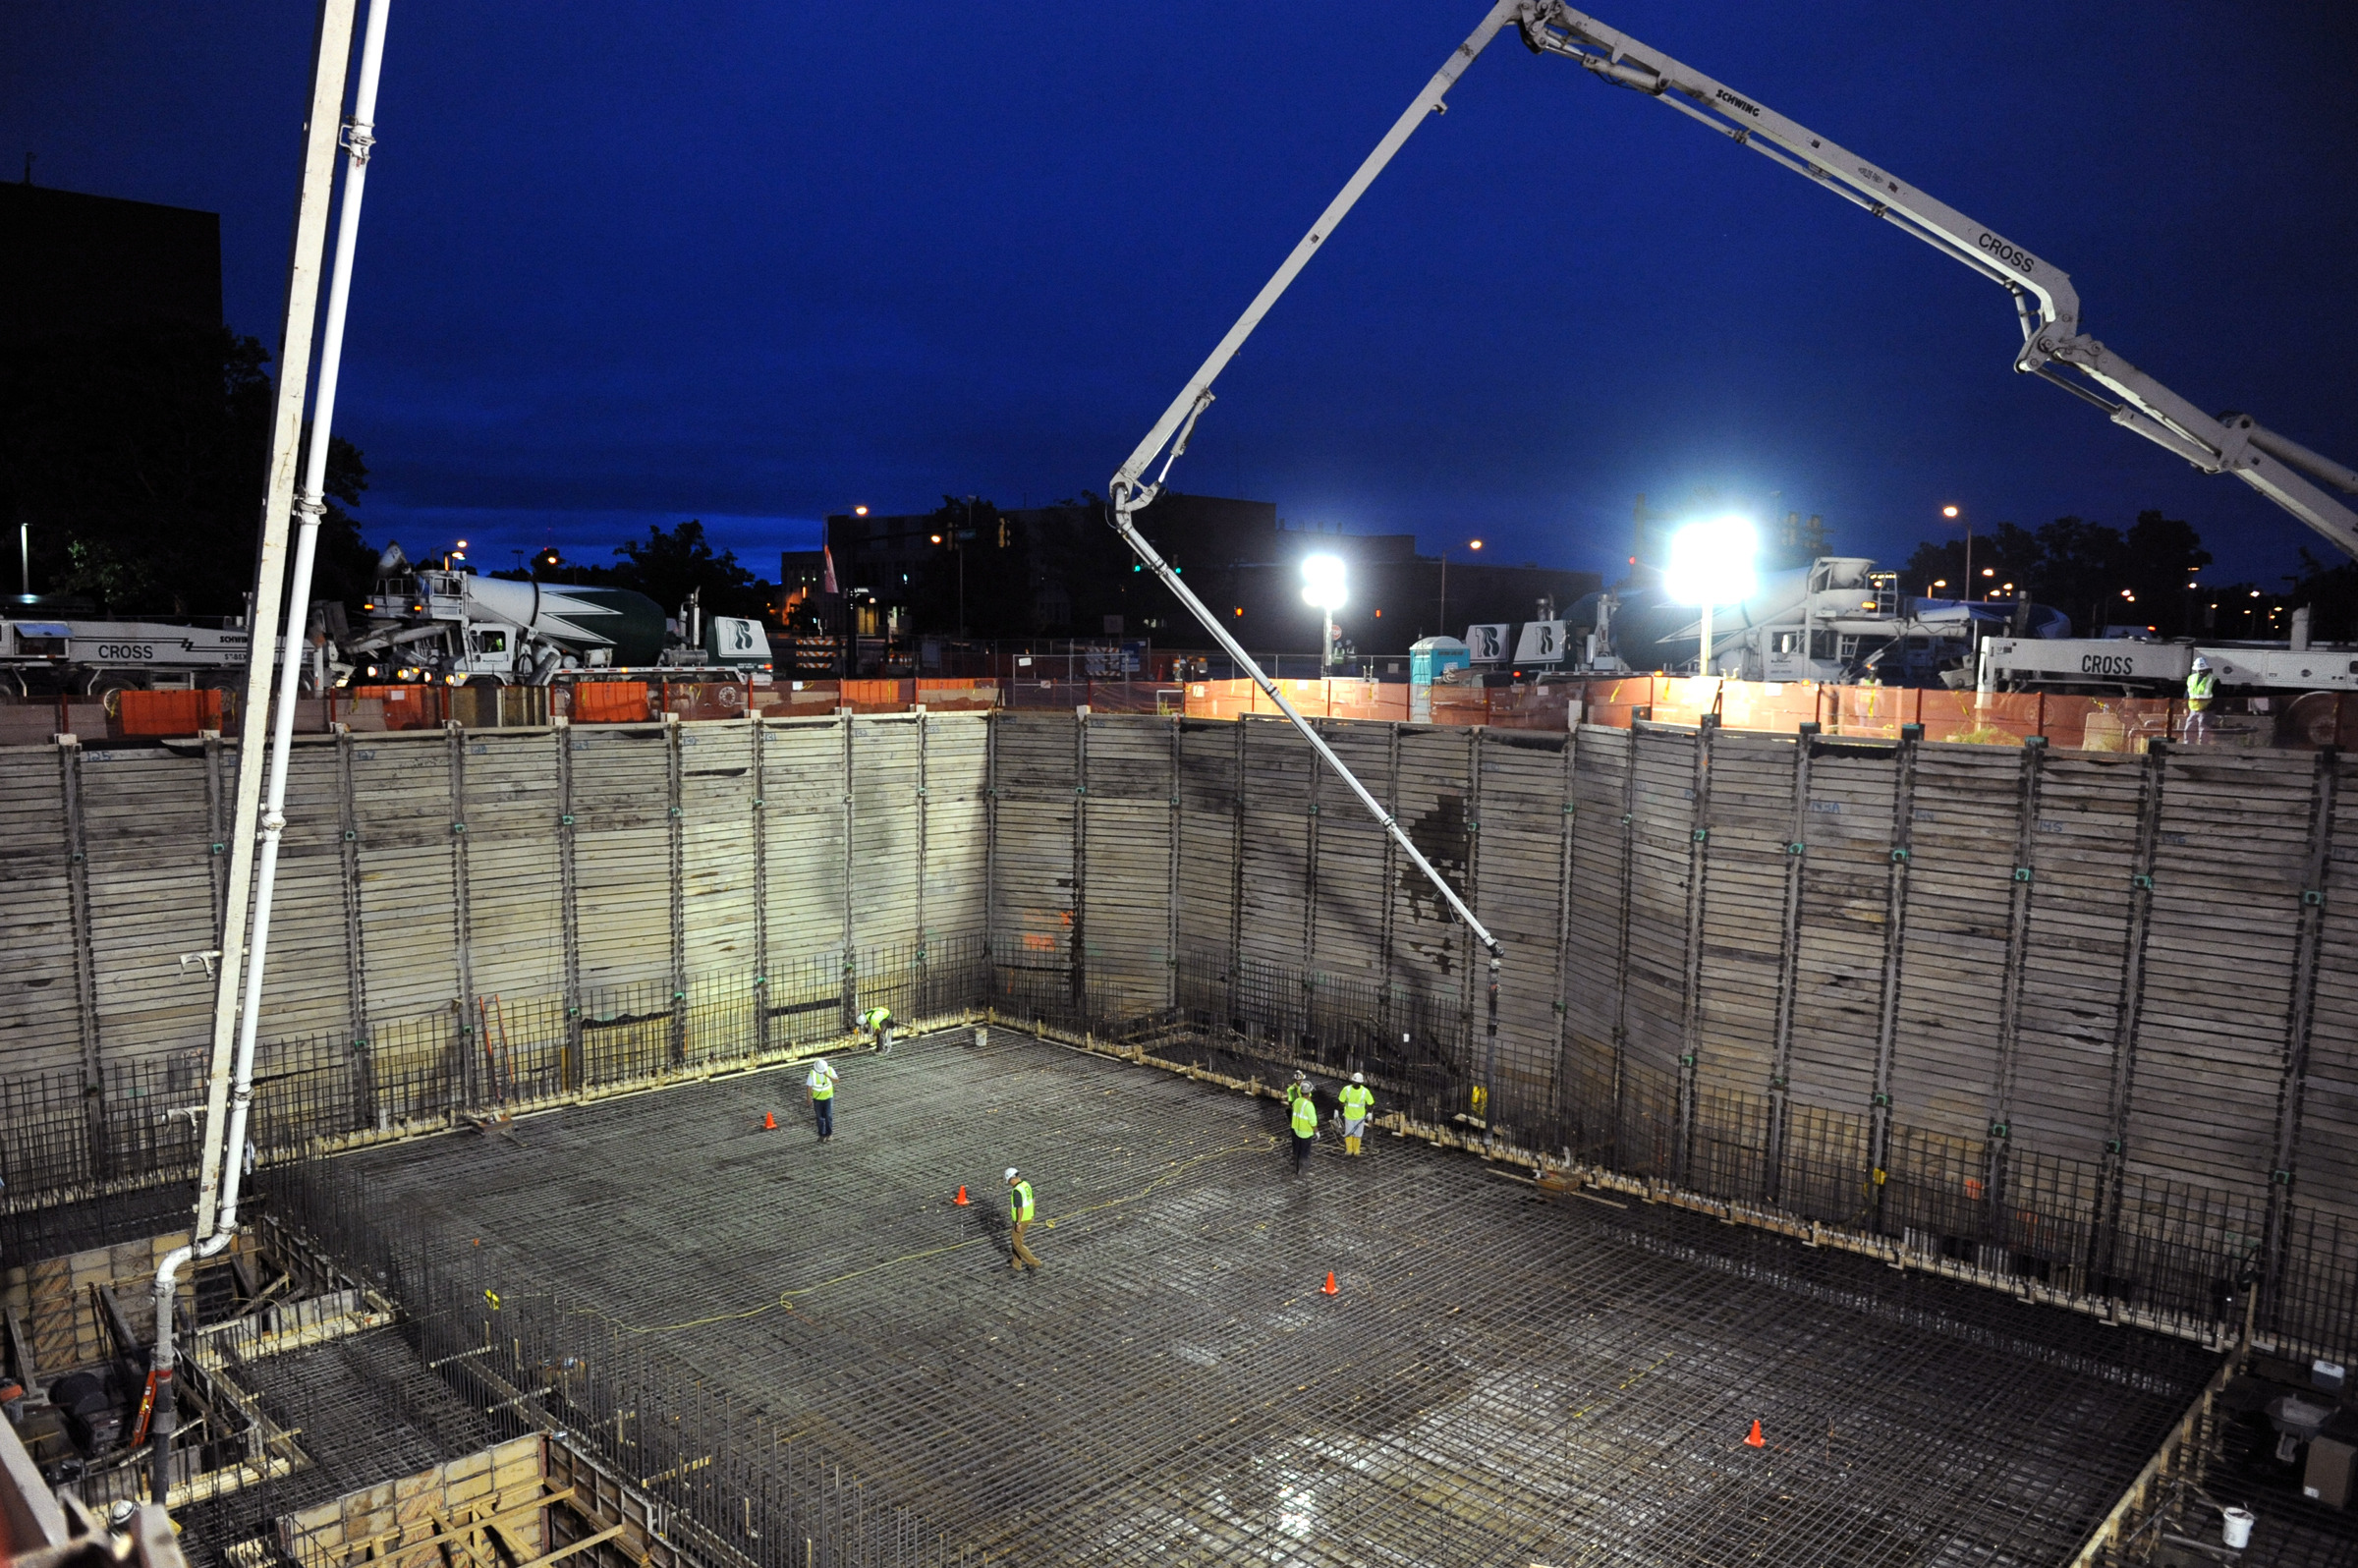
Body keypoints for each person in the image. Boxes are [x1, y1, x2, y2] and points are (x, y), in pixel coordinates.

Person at [1005, 1167, 1041, 1271]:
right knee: (1016, 1240)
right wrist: (1033, 1214)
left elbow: (1019, 1208)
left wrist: (1018, 1223)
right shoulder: (1026, 1184)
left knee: (1017, 1243)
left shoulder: (1017, 1191)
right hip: (1028, 1216)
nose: (1009, 1184)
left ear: (1012, 1179)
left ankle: (1034, 1261)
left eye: (1008, 1182)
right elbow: (1033, 1199)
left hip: (1021, 1219)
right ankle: (1016, 1263)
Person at [1287, 1076, 1319, 1174]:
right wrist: (1316, 1131)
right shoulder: (1309, 1105)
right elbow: (1313, 1121)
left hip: (1296, 1130)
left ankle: (1296, 1169)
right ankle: (1303, 1172)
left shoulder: (1297, 1101)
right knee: (1305, 1153)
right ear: (1309, 1093)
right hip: (1306, 1133)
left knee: (1297, 1151)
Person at [1338, 1072, 1375, 1156]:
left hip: (1360, 1116)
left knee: (1358, 1133)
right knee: (1348, 1133)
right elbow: (1341, 1101)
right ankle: (1349, 1149)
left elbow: (1370, 1103)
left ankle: (1356, 1150)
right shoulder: (1346, 1089)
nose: (1355, 1083)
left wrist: (1369, 1113)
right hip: (1349, 1115)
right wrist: (1337, 1110)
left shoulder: (1365, 1092)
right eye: (1354, 1082)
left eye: (1357, 1082)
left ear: (1360, 1083)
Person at [805, 1056, 838, 1142]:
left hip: (828, 1097)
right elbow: (809, 1087)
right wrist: (809, 1099)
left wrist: (828, 1075)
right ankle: (822, 1134)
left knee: (828, 1115)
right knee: (819, 1117)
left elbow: (836, 1080)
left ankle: (829, 1134)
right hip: (817, 1099)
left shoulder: (830, 1070)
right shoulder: (812, 1074)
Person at [2185, 655, 2216, 742]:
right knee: (2189, 728)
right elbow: (2188, 693)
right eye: (2200, 670)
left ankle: (2203, 748)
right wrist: (2185, 706)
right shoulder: (2192, 678)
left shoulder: (2213, 679)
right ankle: (2187, 746)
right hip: (2193, 708)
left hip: (2206, 709)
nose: (2202, 672)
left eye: (2203, 670)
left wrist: (2210, 708)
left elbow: (2218, 695)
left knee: (2204, 730)